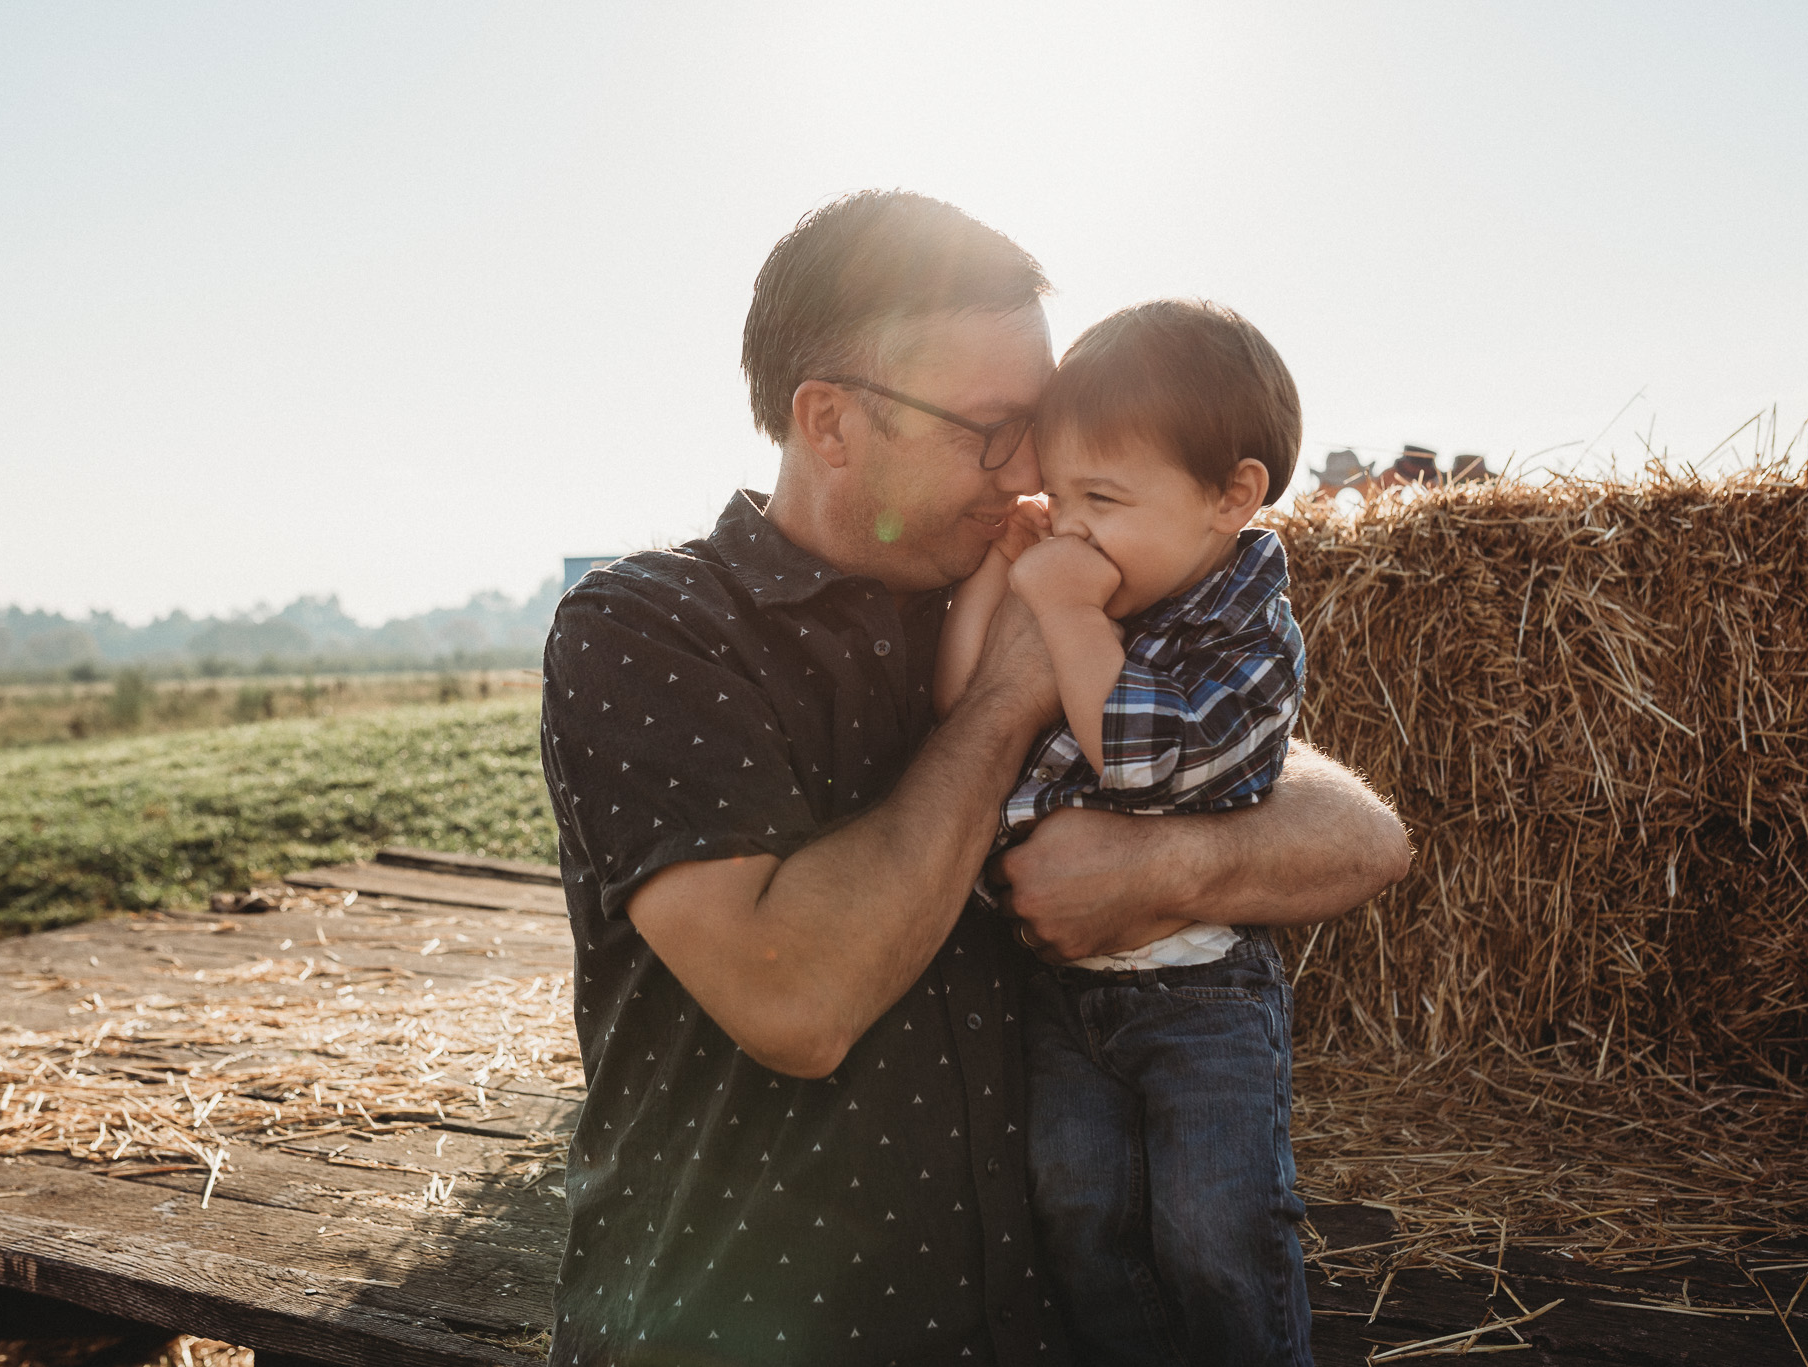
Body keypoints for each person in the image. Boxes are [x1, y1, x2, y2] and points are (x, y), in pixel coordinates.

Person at [538, 190, 1410, 1365]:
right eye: (990, 428)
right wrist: (1006, 695)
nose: (1033, 469)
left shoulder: (1023, 589)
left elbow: (1359, 836)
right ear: (830, 422)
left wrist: (1164, 858)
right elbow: (795, 1001)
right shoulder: (650, 629)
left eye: (1040, 427)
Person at [935, 299, 1312, 1365]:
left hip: (1200, 996)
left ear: (1229, 494)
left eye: (1103, 497)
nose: (1073, 527)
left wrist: (1062, 612)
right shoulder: (1096, 581)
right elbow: (962, 699)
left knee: (1214, 1232)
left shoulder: (1245, 626)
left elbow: (1145, 760)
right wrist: (997, 580)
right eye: (1065, 496)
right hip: (1063, 991)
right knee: (1080, 1218)